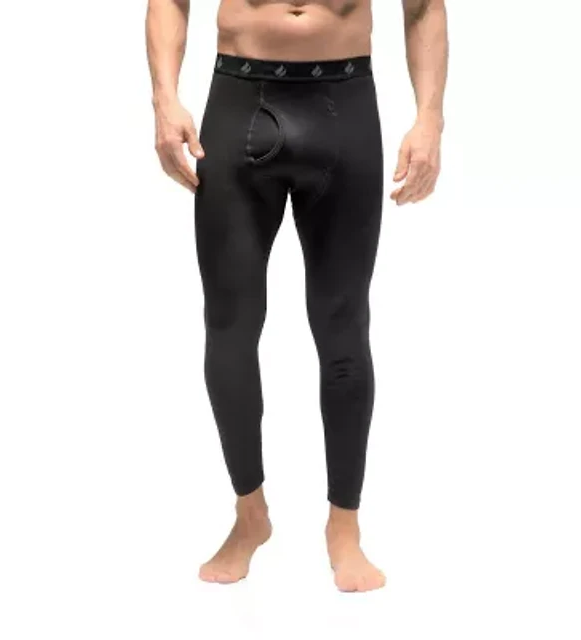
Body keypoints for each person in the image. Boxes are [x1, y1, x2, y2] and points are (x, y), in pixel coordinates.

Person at [145, 0, 448, 592]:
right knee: (229, 326)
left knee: (343, 326)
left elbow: (423, 8)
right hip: (238, 99)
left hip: (345, 104)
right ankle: (250, 513)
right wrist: (165, 98)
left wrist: (429, 119)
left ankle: (344, 526)